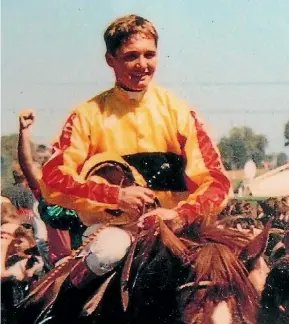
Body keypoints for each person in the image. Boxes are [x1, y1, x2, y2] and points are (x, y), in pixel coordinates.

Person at [39, 14, 230, 276]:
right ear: (110, 60)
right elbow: (53, 179)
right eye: (131, 56)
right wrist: (115, 196)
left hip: (177, 229)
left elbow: (218, 182)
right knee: (108, 252)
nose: (142, 65)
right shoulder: (87, 115)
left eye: (149, 55)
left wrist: (180, 215)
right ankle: (59, 307)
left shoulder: (180, 112)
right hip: (116, 231)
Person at [18, 109, 75, 267]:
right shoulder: (46, 191)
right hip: (62, 265)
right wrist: (24, 131)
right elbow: (27, 165)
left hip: (92, 257)